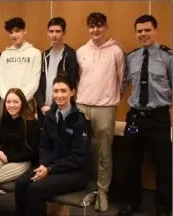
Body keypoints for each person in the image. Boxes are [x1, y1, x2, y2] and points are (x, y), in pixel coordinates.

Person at [117, 15, 172, 216]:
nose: (143, 34)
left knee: (164, 166)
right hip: (135, 118)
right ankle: (131, 203)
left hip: (158, 117)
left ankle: (164, 209)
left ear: (156, 30)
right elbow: (124, 85)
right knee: (130, 164)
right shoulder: (131, 58)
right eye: (139, 31)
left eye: (147, 30)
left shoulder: (168, 57)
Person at [14, 76, 92, 216]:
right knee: (21, 183)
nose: (59, 95)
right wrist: (43, 165)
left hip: (75, 173)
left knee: (35, 189)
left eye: (63, 91)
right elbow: (43, 146)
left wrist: (50, 169)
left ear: (72, 92)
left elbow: (77, 158)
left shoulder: (80, 120)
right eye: (55, 91)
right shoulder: (50, 115)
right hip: (50, 167)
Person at [76, 12, 125, 211]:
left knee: (104, 153)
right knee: (82, 150)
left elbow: (122, 81)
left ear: (105, 27)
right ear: (88, 28)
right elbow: (78, 79)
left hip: (105, 108)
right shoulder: (80, 51)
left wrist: (110, 101)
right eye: (91, 26)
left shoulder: (116, 51)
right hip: (82, 106)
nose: (95, 29)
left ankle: (102, 191)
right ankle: (86, 189)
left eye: (99, 26)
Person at [0, 88, 39, 216]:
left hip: (21, 161)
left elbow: (32, 153)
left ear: (22, 102)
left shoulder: (31, 123)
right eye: (8, 102)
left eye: (15, 102)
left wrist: (9, 158)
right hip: (2, 158)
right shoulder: (4, 119)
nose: (11, 105)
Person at [36, 17, 79, 124]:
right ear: (48, 33)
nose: (54, 34)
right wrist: (41, 105)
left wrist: (56, 107)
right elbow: (38, 83)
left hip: (62, 107)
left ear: (64, 32)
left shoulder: (70, 55)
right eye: (51, 31)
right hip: (43, 109)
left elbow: (71, 83)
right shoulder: (44, 55)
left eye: (58, 31)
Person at [0, 17, 41, 115]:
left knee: (26, 129)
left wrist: (20, 99)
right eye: (11, 32)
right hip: (6, 102)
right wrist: (8, 99)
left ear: (24, 31)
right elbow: (0, 78)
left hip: (26, 101)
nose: (14, 35)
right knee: (6, 129)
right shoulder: (4, 54)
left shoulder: (35, 53)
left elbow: (35, 80)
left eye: (17, 31)